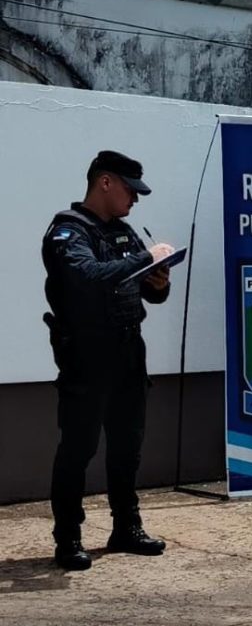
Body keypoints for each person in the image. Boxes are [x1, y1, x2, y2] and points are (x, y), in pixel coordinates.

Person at [41, 151, 176, 571]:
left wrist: (159, 279)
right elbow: (85, 277)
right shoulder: (68, 231)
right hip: (86, 353)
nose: (134, 200)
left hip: (128, 351)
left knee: (127, 446)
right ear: (105, 182)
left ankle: (126, 528)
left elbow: (148, 293)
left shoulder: (123, 232)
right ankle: (68, 539)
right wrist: (144, 259)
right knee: (78, 448)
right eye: (129, 190)